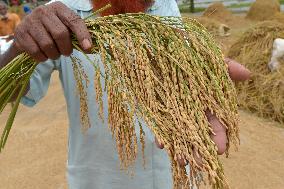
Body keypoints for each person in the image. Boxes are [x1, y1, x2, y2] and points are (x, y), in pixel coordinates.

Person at [0, 0, 250, 188]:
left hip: (174, 174)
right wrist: (16, 50)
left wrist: (195, 72)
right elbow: (11, 87)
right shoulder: (58, 13)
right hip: (100, 180)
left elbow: (176, 60)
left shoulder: (165, 4)